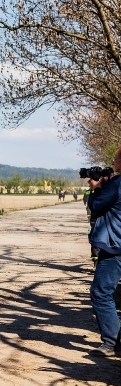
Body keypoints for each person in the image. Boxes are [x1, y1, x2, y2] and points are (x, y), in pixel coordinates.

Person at [86, 146, 121, 358]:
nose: (114, 162)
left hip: (115, 246)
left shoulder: (118, 184)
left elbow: (97, 205)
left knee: (100, 292)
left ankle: (111, 343)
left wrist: (96, 188)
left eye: (116, 159)